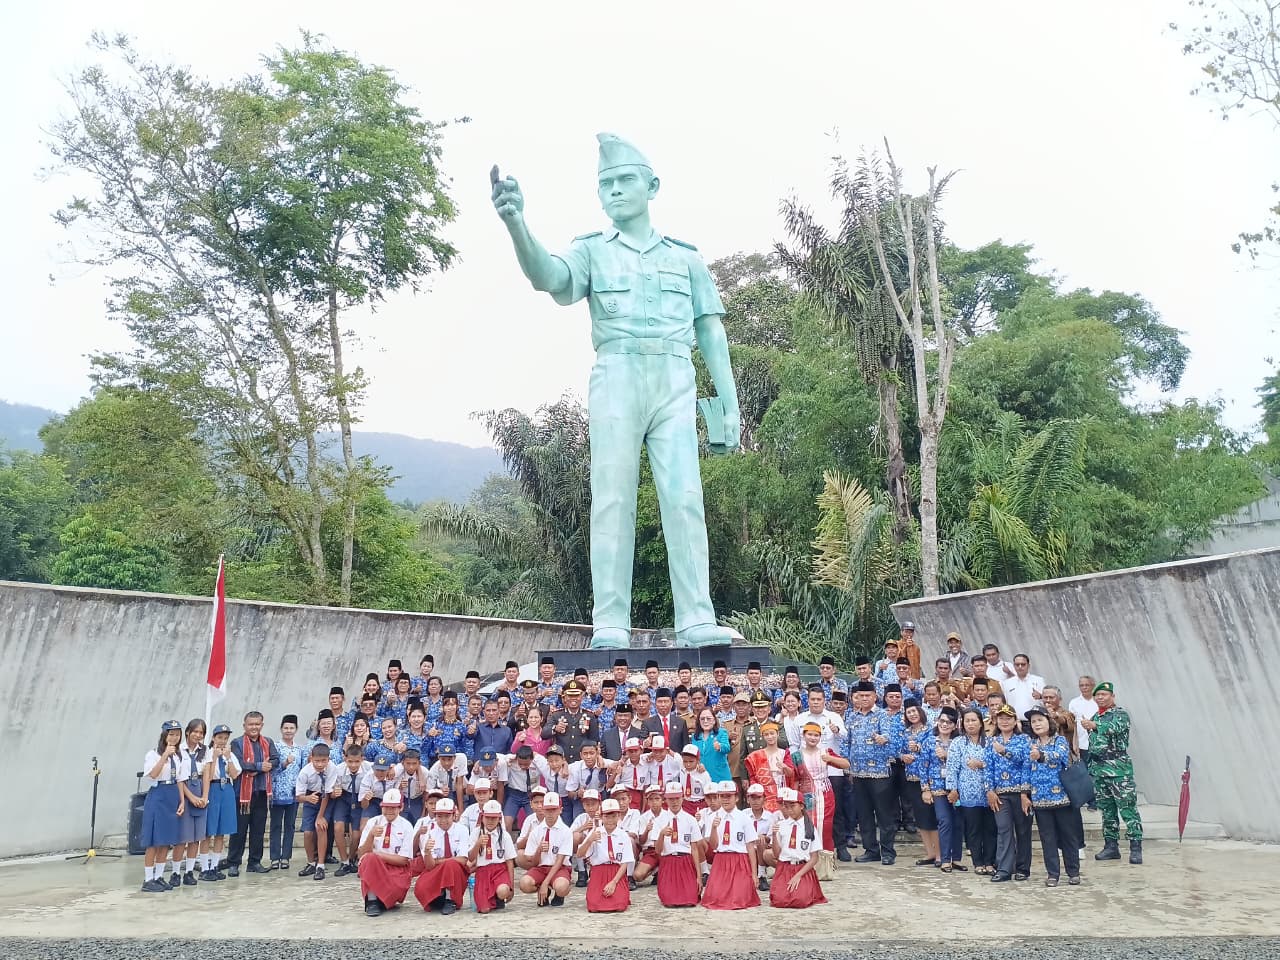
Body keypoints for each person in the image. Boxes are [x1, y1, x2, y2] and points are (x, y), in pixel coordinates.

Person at [492, 133, 741, 650]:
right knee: (611, 499)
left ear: (652, 186)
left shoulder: (686, 258)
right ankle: (610, 623)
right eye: (605, 183)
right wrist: (517, 223)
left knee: (684, 499)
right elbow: (549, 278)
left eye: (625, 180)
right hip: (616, 375)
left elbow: (711, 329)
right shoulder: (590, 251)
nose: (615, 190)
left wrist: (729, 402)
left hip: (675, 377)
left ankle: (696, 617)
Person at [1082, 681, 1144, 864]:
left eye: (1104, 694)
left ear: (1112, 696)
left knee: (1128, 808)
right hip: (1100, 770)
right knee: (1107, 810)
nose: (1100, 697)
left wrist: (1094, 725)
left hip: (1118, 769)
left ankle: (1135, 847)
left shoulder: (1120, 714)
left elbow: (1115, 729)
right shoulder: (1096, 715)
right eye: (1097, 695)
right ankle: (1111, 846)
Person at [1026, 707, 1082, 886]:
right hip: (1040, 800)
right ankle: (1053, 874)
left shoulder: (1059, 740)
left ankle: (1073, 872)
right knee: (1047, 839)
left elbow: (1060, 756)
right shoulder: (1030, 743)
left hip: (1062, 798)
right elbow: (1025, 768)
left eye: (1039, 720)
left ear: (1048, 722)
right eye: (1033, 721)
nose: (1036, 724)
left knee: (1068, 836)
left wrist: (1041, 755)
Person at [844, 680, 897, 866]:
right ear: (856, 697)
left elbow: (889, 736)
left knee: (884, 815)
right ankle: (871, 850)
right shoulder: (852, 717)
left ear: (875, 696)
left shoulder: (883, 715)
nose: (864, 699)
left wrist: (883, 739)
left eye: (868, 696)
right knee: (864, 815)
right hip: (858, 773)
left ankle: (888, 851)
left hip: (880, 773)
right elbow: (846, 743)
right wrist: (846, 765)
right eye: (861, 696)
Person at [227, 710, 279, 877]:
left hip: (262, 792)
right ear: (244, 725)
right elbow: (239, 763)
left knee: (258, 830)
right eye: (251, 724)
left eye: (257, 724)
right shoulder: (237, 743)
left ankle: (254, 862)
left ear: (262, 725)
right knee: (239, 830)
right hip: (242, 794)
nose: (254, 727)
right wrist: (258, 767)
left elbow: (275, 759)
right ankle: (234, 863)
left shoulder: (268, 741)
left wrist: (267, 765)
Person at [794, 721, 849, 875]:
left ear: (820, 737)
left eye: (816, 735)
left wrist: (831, 759)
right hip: (805, 795)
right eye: (810, 734)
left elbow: (845, 764)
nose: (813, 738)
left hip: (825, 793)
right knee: (806, 827)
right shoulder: (796, 755)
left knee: (825, 827)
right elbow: (794, 778)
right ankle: (805, 862)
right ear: (804, 735)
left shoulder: (826, 751)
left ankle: (824, 867)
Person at [986, 703, 1032, 882]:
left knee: (1023, 831)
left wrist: (1025, 793)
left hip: (1020, 793)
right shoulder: (991, 741)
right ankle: (1004, 869)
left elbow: (1026, 763)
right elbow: (987, 767)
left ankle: (1022, 868)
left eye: (1008, 718)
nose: (1004, 721)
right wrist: (989, 790)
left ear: (1015, 721)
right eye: (1001, 718)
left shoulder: (1024, 740)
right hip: (1000, 794)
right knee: (1003, 829)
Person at [947, 708, 996, 874]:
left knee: (990, 828)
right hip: (968, 793)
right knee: (973, 830)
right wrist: (952, 789)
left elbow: (998, 764)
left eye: (974, 720)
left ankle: (990, 861)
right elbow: (952, 768)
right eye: (967, 720)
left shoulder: (990, 742)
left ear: (981, 722)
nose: (970, 724)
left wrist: (981, 764)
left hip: (990, 792)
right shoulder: (958, 743)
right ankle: (978, 863)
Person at [140, 720, 187, 892]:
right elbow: (152, 774)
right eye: (171, 734)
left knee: (166, 839)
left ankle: (159, 876)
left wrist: (182, 800)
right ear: (164, 735)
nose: (174, 738)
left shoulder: (179, 755)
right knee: (154, 840)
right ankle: (148, 878)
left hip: (172, 795)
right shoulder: (153, 754)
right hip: (158, 795)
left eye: (177, 734)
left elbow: (180, 779)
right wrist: (165, 755)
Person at [701, 785, 760, 910]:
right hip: (721, 861)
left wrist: (754, 874)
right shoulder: (713, 817)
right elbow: (714, 845)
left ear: (736, 798)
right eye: (722, 796)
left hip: (740, 861)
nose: (725, 799)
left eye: (729, 796)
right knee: (716, 897)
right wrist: (713, 828)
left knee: (738, 898)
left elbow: (750, 846)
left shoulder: (744, 818)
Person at [921, 707, 966, 873]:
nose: (945, 725)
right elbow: (922, 766)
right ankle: (945, 859)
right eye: (942, 721)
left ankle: (957, 859)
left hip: (958, 789)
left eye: (949, 722)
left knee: (958, 823)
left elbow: (964, 763)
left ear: (955, 725)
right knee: (944, 821)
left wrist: (947, 756)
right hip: (938, 788)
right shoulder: (929, 742)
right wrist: (925, 789)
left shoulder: (961, 742)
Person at [358, 788, 414, 916]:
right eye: (386, 807)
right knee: (370, 859)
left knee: (373, 857)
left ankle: (386, 898)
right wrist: (371, 835)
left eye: (393, 807)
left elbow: (404, 860)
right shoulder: (373, 822)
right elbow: (362, 854)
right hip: (375, 866)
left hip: (396, 869)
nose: (389, 811)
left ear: (401, 807)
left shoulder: (406, 826)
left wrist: (378, 855)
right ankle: (372, 900)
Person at [413, 797, 472, 915]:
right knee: (420, 887)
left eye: (447, 816)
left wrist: (439, 861)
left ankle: (450, 899)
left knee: (451, 865)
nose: (443, 820)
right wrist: (427, 852)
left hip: (456, 871)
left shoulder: (462, 830)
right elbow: (429, 866)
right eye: (439, 816)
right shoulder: (430, 831)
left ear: (453, 815)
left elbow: (463, 859)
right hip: (437, 871)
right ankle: (440, 897)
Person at [769, 787, 826, 908]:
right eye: (786, 806)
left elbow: (814, 857)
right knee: (779, 900)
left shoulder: (809, 827)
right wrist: (774, 836)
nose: (789, 810)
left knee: (800, 900)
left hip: (802, 867)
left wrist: (799, 875)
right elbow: (777, 854)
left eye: (792, 806)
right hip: (784, 868)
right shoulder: (781, 825)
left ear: (801, 806)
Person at [899, 701, 940, 867]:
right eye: (909, 712)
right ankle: (929, 853)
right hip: (911, 778)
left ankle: (939, 854)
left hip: (929, 780)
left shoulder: (931, 730)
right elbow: (899, 750)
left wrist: (918, 750)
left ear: (920, 712)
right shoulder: (905, 732)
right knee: (921, 817)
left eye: (914, 711)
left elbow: (933, 752)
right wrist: (903, 757)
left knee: (932, 817)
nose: (912, 715)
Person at [198, 723, 240, 882]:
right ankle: (204, 867)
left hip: (226, 789)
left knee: (221, 832)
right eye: (220, 737)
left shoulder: (230, 754)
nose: (222, 741)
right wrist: (214, 757)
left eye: (225, 738)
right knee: (208, 832)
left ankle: (214, 866)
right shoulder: (206, 754)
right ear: (213, 738)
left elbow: (235, 775)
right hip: (213, 789)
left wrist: (228, 758)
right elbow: (207, 776)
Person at [518, 791, 574, 906]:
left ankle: (558, 894)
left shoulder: (565, 831)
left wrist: (545, 882)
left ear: (560, 810)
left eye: (553, 809)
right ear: (543, 810)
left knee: (561, 887)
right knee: (524, 884)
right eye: (547, 809)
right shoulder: (536, 831)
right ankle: (544, 890)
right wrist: (538, 851)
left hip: (560, 868)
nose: (550, 813)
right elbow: (532, 862)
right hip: (541, 868)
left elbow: (559, 861)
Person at [578, 798, 634, 912]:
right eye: (607, 816)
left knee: (619, 905)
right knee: (594, 905)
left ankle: (622, 892)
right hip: (599, 872)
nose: (610, 820)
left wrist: (614, 882)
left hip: (616, 872)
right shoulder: (595, 832)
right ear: (601, 816)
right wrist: (590, 840)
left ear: (618, 816)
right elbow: (579, 854)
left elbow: (625, 863)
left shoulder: (623, 835)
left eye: (613, 816)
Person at [294, 742, 339, 880]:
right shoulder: (305, 772)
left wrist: (320, 816)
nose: (320, 764)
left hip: (326, 799)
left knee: (321, 827)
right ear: (311, 758)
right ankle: (311, 863)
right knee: (307, 833)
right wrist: (307, 798)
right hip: (310, 797)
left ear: (328, 759)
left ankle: (320, 865)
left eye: (323, 761)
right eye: (317, 761)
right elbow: (298, 797)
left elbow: (326, 794)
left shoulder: (332, 768)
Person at [654, 781, 703, 907]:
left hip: (686, 861)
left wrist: (698, 876)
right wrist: (661, 834)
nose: (674, 802)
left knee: (690, 901)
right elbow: (658, 850)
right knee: (669, 901)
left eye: (677, 798)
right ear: (665, 800)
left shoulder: (690, 820)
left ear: (682, 798)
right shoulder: (660, 820)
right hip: (668, 861)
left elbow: (695, 849)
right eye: (670, 799)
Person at [175, 718, 208, 887]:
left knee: (196, 838)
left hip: (200, 791)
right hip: (185, 792)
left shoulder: (205, 751)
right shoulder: (179, 750)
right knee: (183, 837)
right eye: (195, 731)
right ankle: (175, 872)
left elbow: (207, 775)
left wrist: (204, 797)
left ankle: (188, 872)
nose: (197, 735)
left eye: (201, 733)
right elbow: (179, 778)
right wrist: (191, 798)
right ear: (188, 732)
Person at [270, 714, 305, 872]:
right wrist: (284, 763)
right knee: (276, 825)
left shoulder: (299, 749)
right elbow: (271, 769)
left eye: (291, 728)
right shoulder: (275, 747)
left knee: (290, 826)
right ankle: (274, 857)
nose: (288, 731)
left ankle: (285, 857)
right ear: (281, 729)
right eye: (286, 728)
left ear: (296, 730)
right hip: (277, 792)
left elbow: (302, 770)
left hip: (293, 793)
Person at [469, 799, 516, 913]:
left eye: (494, 818)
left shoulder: (504, 836)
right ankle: (491, 899)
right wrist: (478, 844)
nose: (490, 821)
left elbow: (509, 861)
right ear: (482, 817)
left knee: (503, 890)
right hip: (483, 871)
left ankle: (498, 897)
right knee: (484, 909)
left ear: (499, 819)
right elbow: (471, 857)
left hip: (500, 870)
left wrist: (512, 886)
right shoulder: (476, 833)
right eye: (487, 817)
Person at [331, 743, 371, 876]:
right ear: (344, 758)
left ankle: (352, 858)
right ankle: (344, 862)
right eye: (350, 761)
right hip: (343, 797)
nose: (353, 765)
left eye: (357, 761)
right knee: (338, 828)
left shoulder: (368, 768)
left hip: (360, 799)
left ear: (362, 759)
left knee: (356, 834)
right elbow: (331, 790)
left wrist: (392, 768)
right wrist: (334, 793)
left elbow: (387, 768)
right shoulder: (338, 769)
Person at [744, 720, 796, 812]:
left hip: (782, 793)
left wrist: (785, 767)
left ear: (777, 734)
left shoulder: (784, 753)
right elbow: (753, 778)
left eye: (772, 733)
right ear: (762, 736)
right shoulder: (756, 756)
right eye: (766, 734)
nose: (770, 737)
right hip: (764, 796)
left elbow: (791, 774)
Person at [542, 679, 599, 761]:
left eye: (576, 696)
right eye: (570, 696)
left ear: (582, 697)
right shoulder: (556, 715)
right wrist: (555, 728)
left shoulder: (590, 716)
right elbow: (544, 734)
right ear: (564, 697)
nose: (573, 699)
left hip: (581, 762)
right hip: (562, 761)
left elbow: (594, 740)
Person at [691, 707, 732, 783]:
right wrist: (697, 764)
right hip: (701, 776)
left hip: (719, 776)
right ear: (699, 721)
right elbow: (694, 756)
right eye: (702, 719)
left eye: (708, 718)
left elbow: (727, 748)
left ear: (714, 720)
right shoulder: (695, 737)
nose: (705, 721)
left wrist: (720, 746)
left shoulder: (721, 732)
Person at [1000, 653, 1045, 723]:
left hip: (1035, 721)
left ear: (1028, 666)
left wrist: (1040, 696)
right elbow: (1004, 703)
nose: (1020, 667)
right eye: (1017, 665)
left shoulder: (1039, 680)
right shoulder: (1006, 683)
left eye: (1023, 664)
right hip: (1015, 722)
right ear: (1014, 666)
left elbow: (1047, 700)